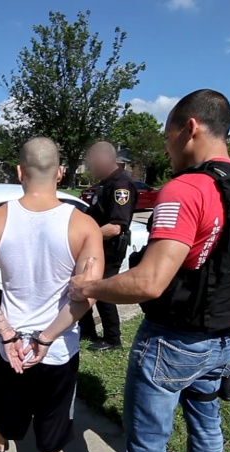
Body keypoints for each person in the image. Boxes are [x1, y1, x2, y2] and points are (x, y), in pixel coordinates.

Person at [69, 89, 230, 452]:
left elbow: (149, 282)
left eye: (167, 137)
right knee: (207, 422)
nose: (165, 149)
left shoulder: (187, 188)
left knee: (149, 436)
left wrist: (88, 287)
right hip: (229, 337)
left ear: (190, 129)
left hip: (175, 340)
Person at [0, 137, 105, 452]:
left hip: (10, 343)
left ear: (19, 172)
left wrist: (8, 333)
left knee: (5, 397)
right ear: (61, 172)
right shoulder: (85, 226)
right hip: (56, 348)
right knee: (55, 412)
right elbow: (86, 296)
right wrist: (45, 338)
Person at [77, 141, 137, 352]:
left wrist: (85, 238)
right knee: (85, 286)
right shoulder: (105, 183)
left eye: (92, 161)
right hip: (97, 246)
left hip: (109, 248)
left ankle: (113, 339)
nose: (90, 166)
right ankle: (87, 331)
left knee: (102, 293)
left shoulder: (120, 185)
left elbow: (115, 227)